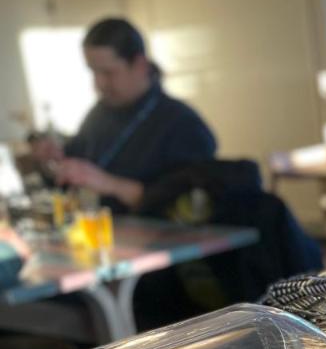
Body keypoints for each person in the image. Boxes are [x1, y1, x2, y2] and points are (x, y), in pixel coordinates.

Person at [30, 17, 216, 212]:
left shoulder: (183, 124)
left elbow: (194, 208)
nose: (98, 84)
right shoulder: (99, 113)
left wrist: (112, 185)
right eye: (93, 72)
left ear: (140, 65)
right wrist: (51, 163)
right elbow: (71, 176)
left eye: (108, 73)